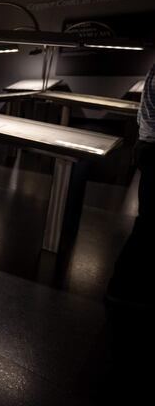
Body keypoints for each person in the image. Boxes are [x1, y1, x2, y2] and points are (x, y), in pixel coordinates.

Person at [106, 61, 154, 310]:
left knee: (148, 222)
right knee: (149, 224)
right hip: (153, 147)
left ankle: (123, 287)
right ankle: (123, 288)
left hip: (147, 143)